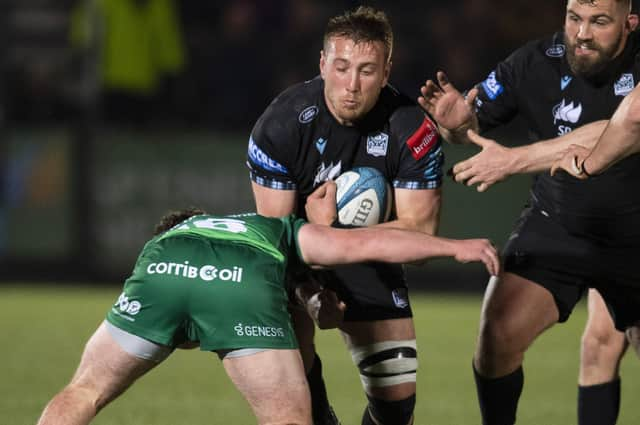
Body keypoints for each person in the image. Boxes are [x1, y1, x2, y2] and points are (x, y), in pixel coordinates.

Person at [35, 182, 500, 425]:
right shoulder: (277, 230)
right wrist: (452, 247)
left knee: (83, 391)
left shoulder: (172, 238)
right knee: (286, 419)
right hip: (242, 282)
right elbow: (365, 245)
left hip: (162, 268)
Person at [418, 1, 640, 424]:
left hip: (635, 236)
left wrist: (514, 160)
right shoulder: (534, 61)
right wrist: (456, 126)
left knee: (601, 347)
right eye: (575, 18)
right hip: (557, 225)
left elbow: (614, 128)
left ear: (630, 23)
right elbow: (470, 130)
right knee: (496, 335)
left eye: (599, 22)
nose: (583, 34)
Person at [247, 6, 445, 425]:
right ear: (323, 64)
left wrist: (333, 231)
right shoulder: (280, 125)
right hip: (296, 260)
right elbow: (274, 243)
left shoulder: (413, 129)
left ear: (387, 72)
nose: (351, 85)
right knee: (295, 385)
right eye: (341, 67)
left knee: (396, 403)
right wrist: (311, 294)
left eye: (367, 71)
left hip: (369, 255)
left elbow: (422, 240)